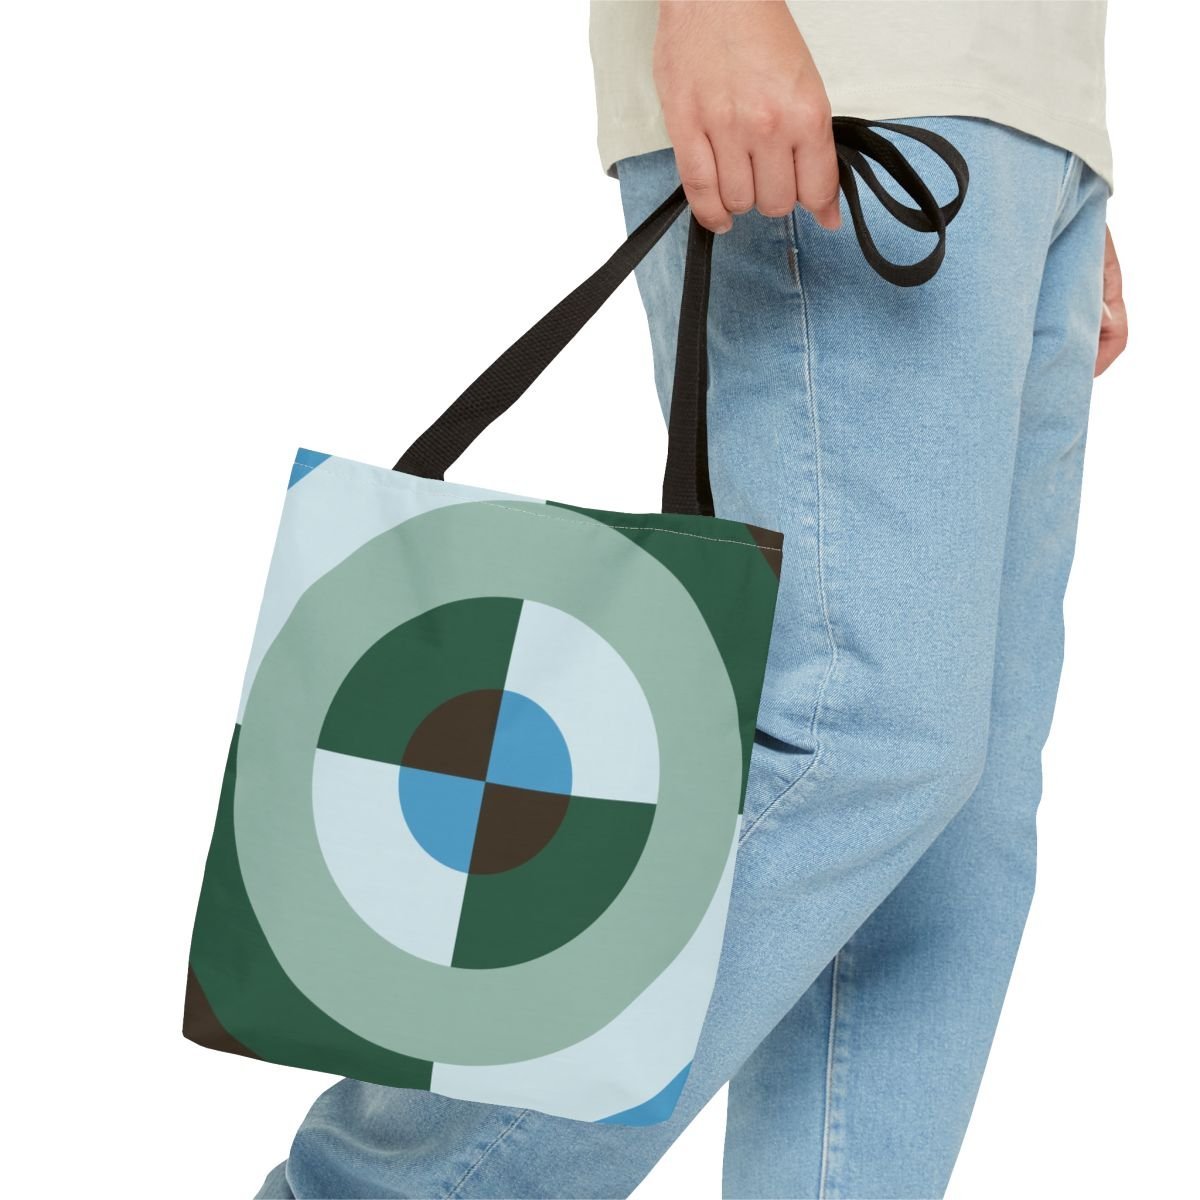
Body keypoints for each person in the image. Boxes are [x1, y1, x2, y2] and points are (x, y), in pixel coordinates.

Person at [256, 3, 1127, 1196]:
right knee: (854, 741)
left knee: (951, 846)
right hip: (847, 72)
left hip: (1021, 119)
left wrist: (1056, 147)